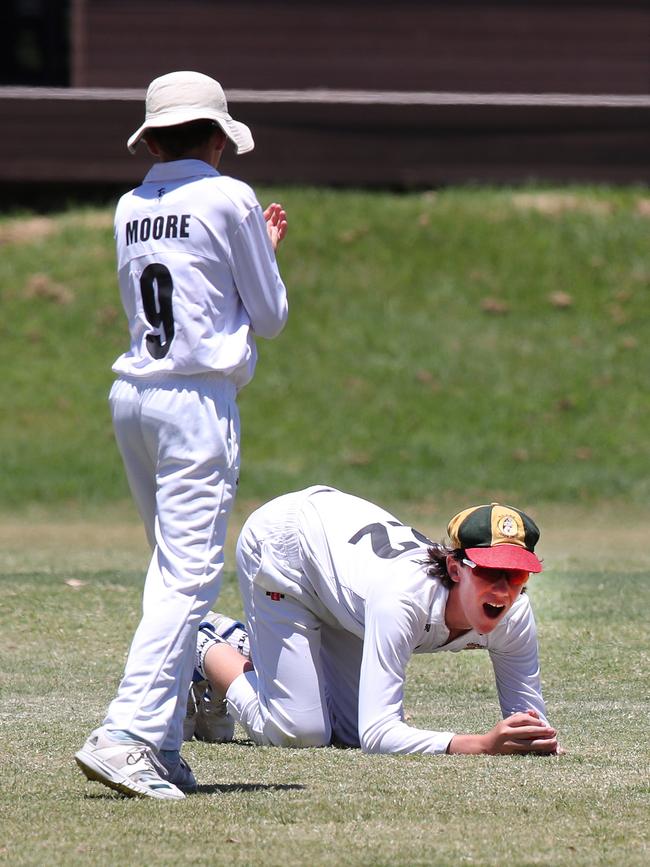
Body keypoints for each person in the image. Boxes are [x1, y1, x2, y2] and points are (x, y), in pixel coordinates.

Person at [75, 70, 289, 800]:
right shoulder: (230, 196)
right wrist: (263, 248)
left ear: (154, 137)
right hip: (196, 400)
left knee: (170, 572)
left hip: (133, 393)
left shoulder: (130, 203)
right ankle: (127, 733)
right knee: (190, 575)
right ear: (218, 136)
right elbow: (269, 314)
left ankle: (162, 742)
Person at [188, 486, 560, 756]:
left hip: (345, 586)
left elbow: (528, 722)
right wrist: (478, 744)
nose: (502, 589)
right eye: (489, 571)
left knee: (346, 731)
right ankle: (206, 646)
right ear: (455, 568)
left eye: (516, 574)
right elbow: (379, 735)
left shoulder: (515, 616)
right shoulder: (402, 599)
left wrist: (534, 738)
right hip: (287, 547)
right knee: (300, 731)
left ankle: (255, 647)